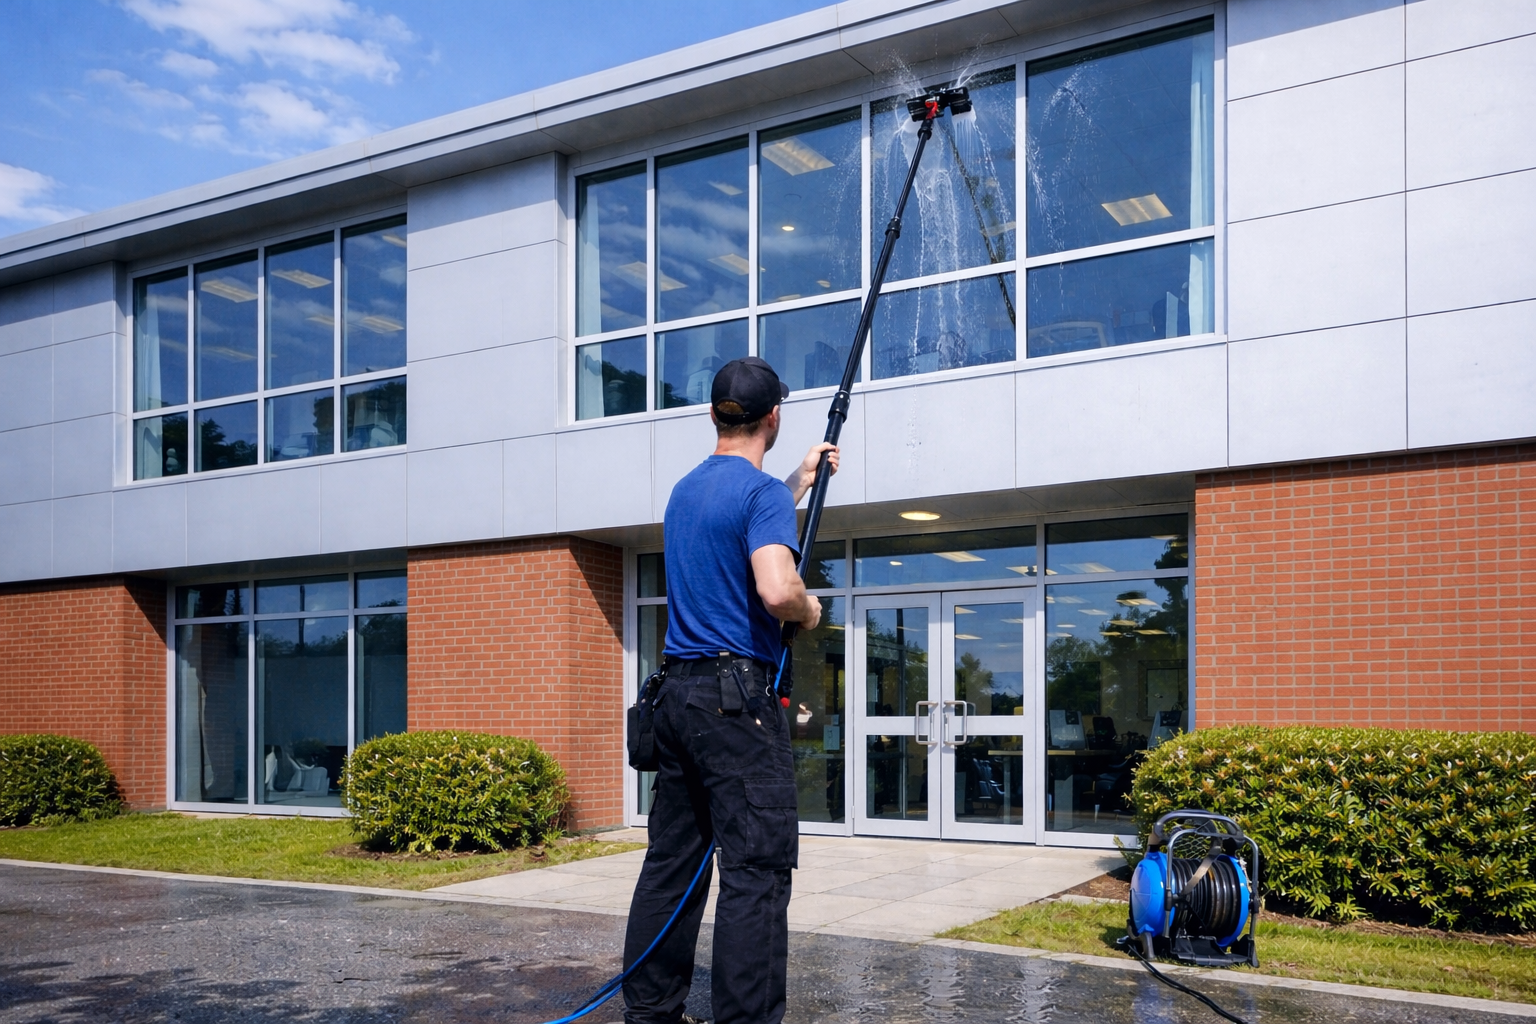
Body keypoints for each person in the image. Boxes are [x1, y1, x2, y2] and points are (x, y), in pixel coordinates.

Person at [622, 356, 838, 1024]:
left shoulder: (686, 492)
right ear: (774, 416)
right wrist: (808, 611)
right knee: (756, 870)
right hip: (736, 703)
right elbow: (775, 588)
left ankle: (651, 1011)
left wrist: (796, 482)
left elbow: (737, 519)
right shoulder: (759, 496)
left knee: (673, 864)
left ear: (713, 413)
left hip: (679, 700)